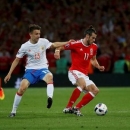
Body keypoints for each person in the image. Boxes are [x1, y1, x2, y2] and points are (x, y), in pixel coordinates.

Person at [4, 24, 70, 117]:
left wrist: (67, 42)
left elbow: (54, 44)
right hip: (30, 70)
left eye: (39, 33)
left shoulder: (43, 41)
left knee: (50, 77)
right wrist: (9, 74)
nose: (38, 35)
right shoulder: (25, 46)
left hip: (43, 68)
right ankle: (13, 112)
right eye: (36, 34)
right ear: (30, 34)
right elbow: (17, 60)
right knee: (22, 88)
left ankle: (50, 98)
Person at [54, 25, 105, 116]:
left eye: (95, 38)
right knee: (82, 84)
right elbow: (60, 47)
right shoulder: (76, 44)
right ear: (87, 36)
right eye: (93, 38)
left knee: (95, 90)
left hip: (84, 74)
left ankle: (77, 108)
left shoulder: (94, 47)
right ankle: (68, 107)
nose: (94, 40)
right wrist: (57, 52)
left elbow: (93, 59)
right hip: (74, 71)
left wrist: (98, 66)